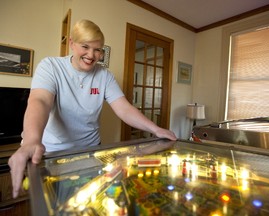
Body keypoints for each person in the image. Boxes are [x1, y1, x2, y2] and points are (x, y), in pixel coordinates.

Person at [8, 19, 177, 198]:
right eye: (85, 46)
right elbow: (40, 101)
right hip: (52, 154)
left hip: (90, 154)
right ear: (72, 43)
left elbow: (124, 108)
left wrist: (156, 129)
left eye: (97, 49)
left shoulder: (105, 75)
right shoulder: (50, 66)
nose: (91, 55)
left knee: (90, 200)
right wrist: (31, 140)